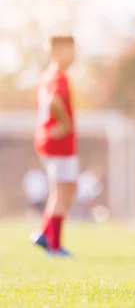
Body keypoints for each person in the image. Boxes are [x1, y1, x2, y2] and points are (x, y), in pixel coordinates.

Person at [31, 34, 78, 257]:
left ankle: (44, 234)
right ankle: (54, 246)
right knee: (62, 193)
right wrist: (66, 124)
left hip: (50, 140)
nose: (74, 55)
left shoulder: (46, 76)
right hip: (58, 141)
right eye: (71, 50)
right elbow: (53, 101)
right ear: (57, 52)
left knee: (66, 190)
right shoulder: (57, 76)